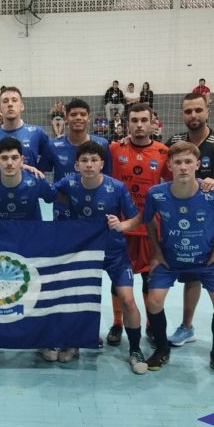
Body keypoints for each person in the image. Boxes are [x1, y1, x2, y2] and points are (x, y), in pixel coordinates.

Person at [142, 141, 214, 380]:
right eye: (178, 162)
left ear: (198, 165)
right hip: (170, 260)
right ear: (170, 166)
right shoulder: (157, 194)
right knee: (153, 302)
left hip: (206, 260)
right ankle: (162, 349)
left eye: (188, 162)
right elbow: (149, 221)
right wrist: (156, 250)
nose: (183, 167)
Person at [166, 93, 214, 361]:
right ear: (182, 114)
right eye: (188, 111)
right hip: (190, 228)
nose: (193, 116)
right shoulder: (176, 142)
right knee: (191, 277)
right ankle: (187, 327)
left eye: (198, 110)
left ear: (207, 111)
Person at [53, 141, 146, 372]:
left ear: (102, 164)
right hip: (82, 253)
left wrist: (122, 224)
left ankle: (135, 349)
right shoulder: (68, 184)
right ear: (76, 165)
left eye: (94, 160)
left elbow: (136, 218)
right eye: (84, 160)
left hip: (114, 253)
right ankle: (74, 342)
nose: (89, 165)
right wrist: (31, 173)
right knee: (75, 298)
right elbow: (46, 194)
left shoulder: (117, 188)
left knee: (127, 299)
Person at [0, 136, 56, 361]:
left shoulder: (35, 181)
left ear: (22, 160)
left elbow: (56, 197)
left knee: (36, 291)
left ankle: (44, 341)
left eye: (14, 158)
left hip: (32, 244)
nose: (9, 162)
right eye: (4, 158)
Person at [107, 103, 170, 347]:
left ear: (153, 123)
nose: (139, 125)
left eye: (144, 120)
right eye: (134, 120)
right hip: (120, 227)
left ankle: (151, 325)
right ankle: (117, 323)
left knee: (149, 279)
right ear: (126, 123)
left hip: (151, 229)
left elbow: (174, 187)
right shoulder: (114, 149)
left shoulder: (164, 152)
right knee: (117, 279)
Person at [0, 86, 50, 169]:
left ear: (22, 106)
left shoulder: (37, 133)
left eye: (14, 100)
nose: (10, 104)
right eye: (5, 101)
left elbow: (46, 162)